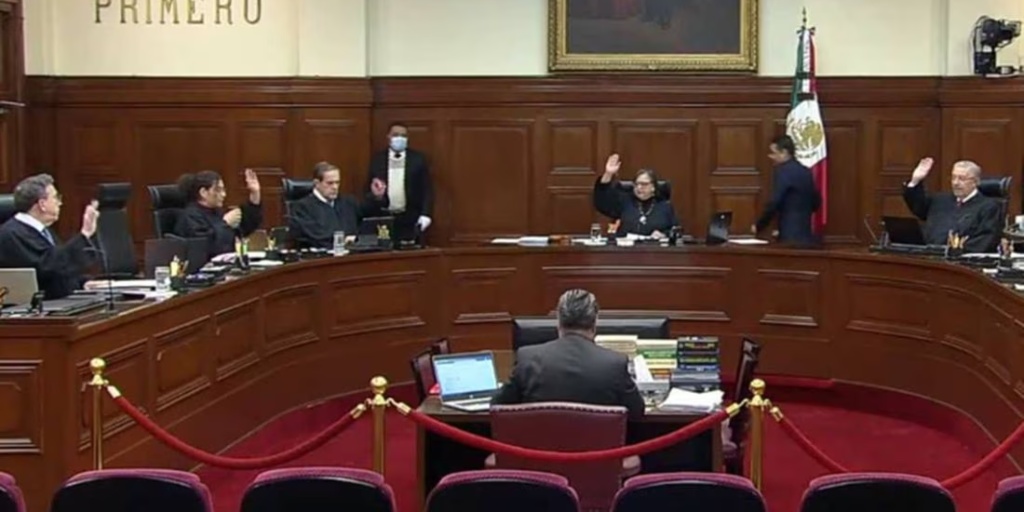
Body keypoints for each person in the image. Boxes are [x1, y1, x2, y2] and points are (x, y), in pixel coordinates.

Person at [491, 289, 645, 419]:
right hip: (598, 446)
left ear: (558, 320)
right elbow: (637, 412)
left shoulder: (527, 358)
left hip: (541, 446)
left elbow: (497, 405)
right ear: (595, 322)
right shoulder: (614, 364)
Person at [0, 174, 99, 299]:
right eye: (56, 198)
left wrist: (83, 283)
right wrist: (84, 234)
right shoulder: (12, 234)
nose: (60, 203)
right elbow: (47, 268)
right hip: (40, 307)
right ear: (42, 204)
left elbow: (60, 270)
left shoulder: (43, 231)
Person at [902, 157, 1002, 253]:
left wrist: (954, 251)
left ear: (975, 182)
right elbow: (918, 208)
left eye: (962, 179)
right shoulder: (939, 200)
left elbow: (985, 240)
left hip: (961, 260)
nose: (955, 183)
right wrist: (915, 180)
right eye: (953, 177)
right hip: (929, 256)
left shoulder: (988, 207)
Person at [365, 122, 434, 243]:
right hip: (384, 217)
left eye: (403, 136)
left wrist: (425, 214)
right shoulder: (378, 159)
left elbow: (427, 189)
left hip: (410, 217)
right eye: (396, 135)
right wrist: (376, 197)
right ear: (388, 137)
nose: (399, 139)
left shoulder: (418, 159)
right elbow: (368, 189)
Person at [174, 169, 263, 258]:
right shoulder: (190, 217)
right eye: (218, 190)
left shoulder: (217, 212)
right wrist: (225, 223)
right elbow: (207, 247)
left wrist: (255, 194)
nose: (223, 194)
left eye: (223, 190)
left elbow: (244, 228)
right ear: (203, 192)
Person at [752, 135, 822, 245]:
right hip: (806, 234)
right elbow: (816, 201)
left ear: (784, 152)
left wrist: (760, 225)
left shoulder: (783, 172)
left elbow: (774, 202)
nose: (770, 156)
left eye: (773, 153)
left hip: (789, 236)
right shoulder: (805, 171)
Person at [593, 153, 678, 238]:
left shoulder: (665, 207)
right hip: (626, 245)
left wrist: (663, 235)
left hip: (653, 246)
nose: (639, 187)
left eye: (644, 184)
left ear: (653, 187)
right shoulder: (625, 201)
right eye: (636, 184)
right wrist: (608, 174)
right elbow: (602, 202)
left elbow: (675, 231)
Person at [288, 162, 366, 249]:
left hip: (352, 254)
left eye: (337, 183)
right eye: (330, 183)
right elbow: (315, 238)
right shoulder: (302, 208)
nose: (335, 187)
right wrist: (343, 240)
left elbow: (364, 228)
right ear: (317, 183)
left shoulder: (349, 203)